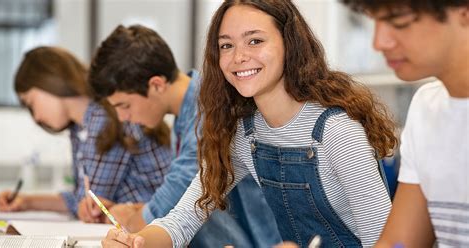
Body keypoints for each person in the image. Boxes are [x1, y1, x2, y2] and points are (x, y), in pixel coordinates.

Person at [102, 0, 399, 247]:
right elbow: (181, 220)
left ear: (289, 44)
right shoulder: (245, 135)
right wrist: (136, 242)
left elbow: (387, 242)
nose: (238, 57)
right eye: (226, 46)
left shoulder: (337, 132)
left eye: (255, 41)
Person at [88, 24, 281, 247]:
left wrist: (129, 221)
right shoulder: (186, 112)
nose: (122, 117)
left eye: (124, 105)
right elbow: (184, 205)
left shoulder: (208, 110)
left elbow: (174, 197)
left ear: (157, 85)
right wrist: (133, 209)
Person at [341, 0, 469, 247]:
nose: (379, 42)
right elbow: (399, 243)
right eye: (374, 19)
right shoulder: (427, 108)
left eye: (399, 20)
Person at [0, 46, 172, 219]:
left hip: (160, 227)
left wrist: (32, 202)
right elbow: (83, 198)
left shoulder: (105, 118)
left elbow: (91, 205)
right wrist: (26, 202)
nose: (36, 117)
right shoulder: (81, 127)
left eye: (31, 103)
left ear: (49, 81)